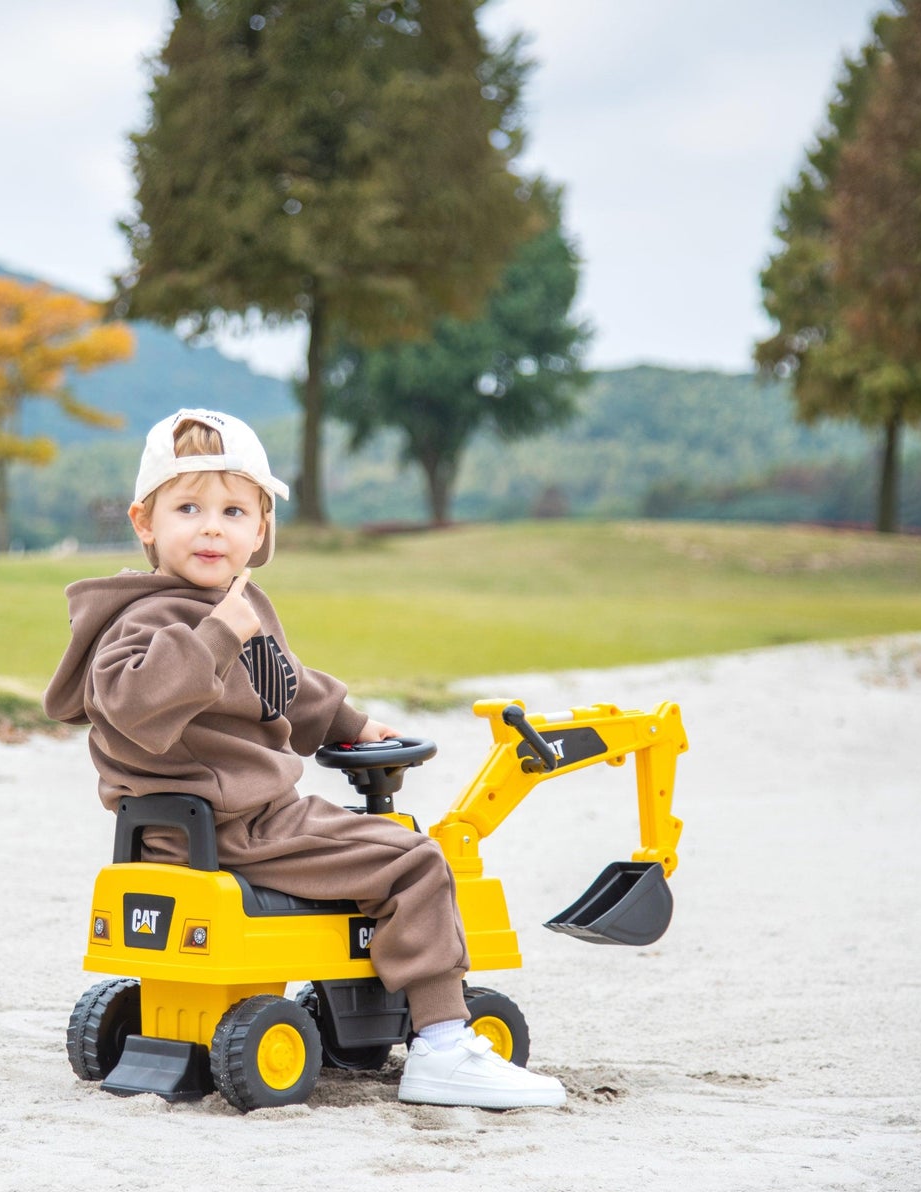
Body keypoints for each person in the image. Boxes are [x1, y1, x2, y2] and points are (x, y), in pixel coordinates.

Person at [44, 408, 566, 1109]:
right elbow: (132, 703)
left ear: (261, 529)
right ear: (145, 522)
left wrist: (349, 722)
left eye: (233, 510)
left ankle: (374, 1012)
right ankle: (443, 1042)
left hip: (226, 819)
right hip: (240, 825)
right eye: (188, 507)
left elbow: (283, 687)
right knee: (413, 858)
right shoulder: (145, 619)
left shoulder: (235, 604)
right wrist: (215, 635)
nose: (210, 526)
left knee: (373, 842)